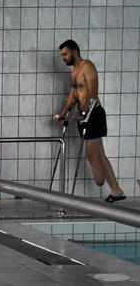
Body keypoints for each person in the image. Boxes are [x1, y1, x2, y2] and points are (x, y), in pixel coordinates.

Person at [53, 39, 126, 202]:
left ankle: (102, 181)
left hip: (94, 114)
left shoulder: (88, 67)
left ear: (75, 52)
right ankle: (116, 190)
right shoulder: (74, 71)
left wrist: (84, 113)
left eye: (65, 54)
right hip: (83, 116)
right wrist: (63, 113)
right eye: (62, 55)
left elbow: (92, 95)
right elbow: (73, 94)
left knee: (93, 155)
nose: (63, 58)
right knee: (99, 153)